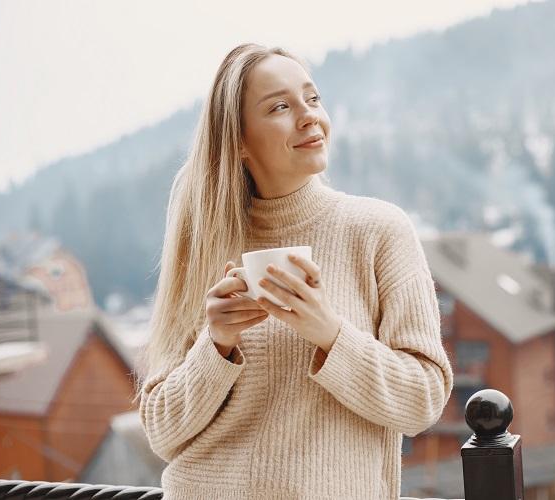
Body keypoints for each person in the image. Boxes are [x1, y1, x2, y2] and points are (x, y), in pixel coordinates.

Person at [135, 42, 453, 500]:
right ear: (239, 141)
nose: (309, 116)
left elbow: (423, 400)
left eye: (313, 99)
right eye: (281, 106)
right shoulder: (205, 242)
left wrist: (330, 333)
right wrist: (217, 343)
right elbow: (163, 434)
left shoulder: (379, 231)